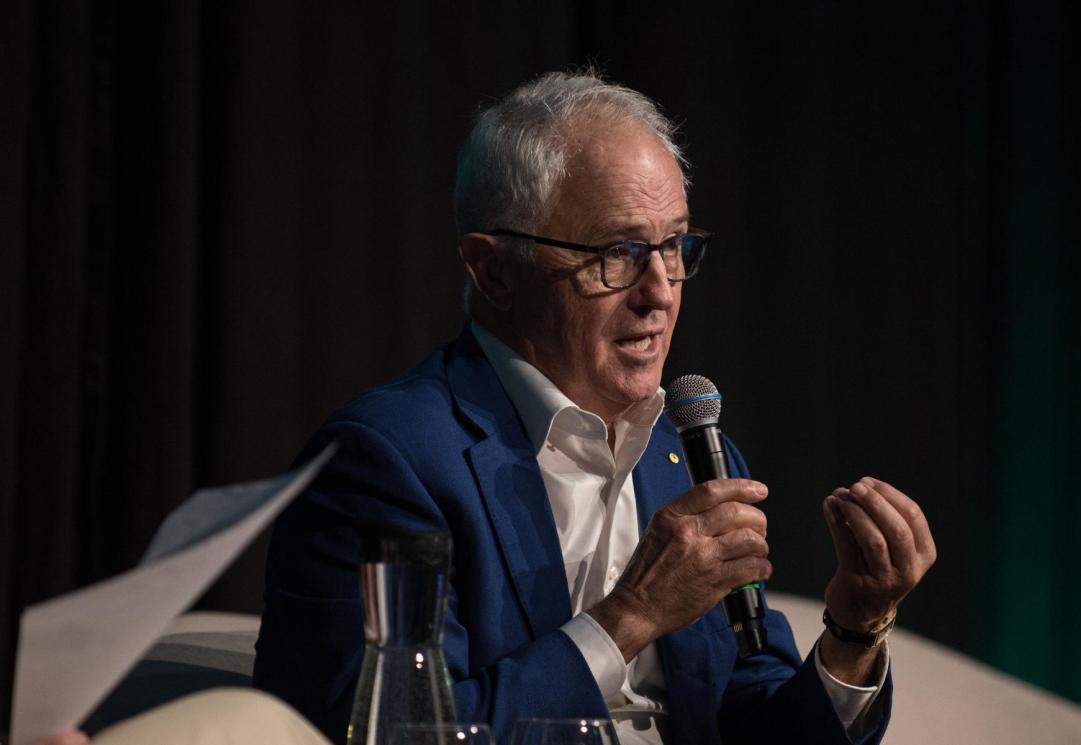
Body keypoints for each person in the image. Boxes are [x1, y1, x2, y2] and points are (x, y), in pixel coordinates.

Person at [253, 70, 936, 745]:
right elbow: (391, 734)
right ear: (492, 270)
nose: (660, 289)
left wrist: (853, 626)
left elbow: (752, 719)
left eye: (674, 246)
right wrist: (629, 616)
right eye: (618, 251)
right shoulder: (383, 462)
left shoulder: (689, 453)